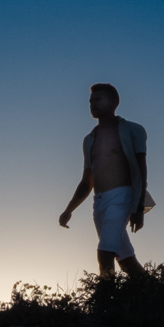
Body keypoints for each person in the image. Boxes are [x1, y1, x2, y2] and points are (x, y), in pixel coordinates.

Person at [59, 83, 150, 278]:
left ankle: (105, 302)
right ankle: (161, 295)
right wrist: (69, 210)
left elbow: (142, 171)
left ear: (113, 102)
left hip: (123, 197)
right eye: (90, 101)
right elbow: (87, 181)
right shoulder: (89, 140)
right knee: (126, 260)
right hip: (99, 203)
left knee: (105, 252)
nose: (92, 104)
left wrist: (139, 208)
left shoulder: (133, 130)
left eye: (98, 99)